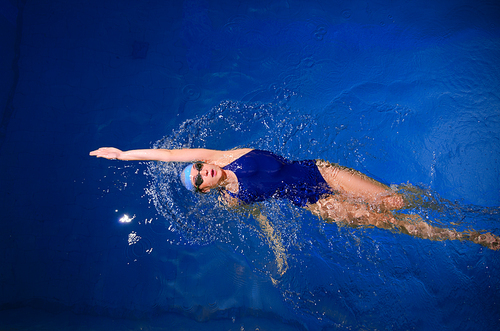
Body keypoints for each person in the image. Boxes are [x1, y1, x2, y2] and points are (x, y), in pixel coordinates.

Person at [90, 147, 500, 251]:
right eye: (198, 179)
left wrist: (124, 154)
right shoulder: (232, 198)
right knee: (392, 223)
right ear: (204, 189)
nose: (202, 171)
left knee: (393, 202)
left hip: (322, 172)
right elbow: (262, 221)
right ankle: (468, 236)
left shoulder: (225, 155)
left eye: (198, 166)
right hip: (316, 203)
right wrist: (276, 243)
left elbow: (167, 154)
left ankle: (457, 209)